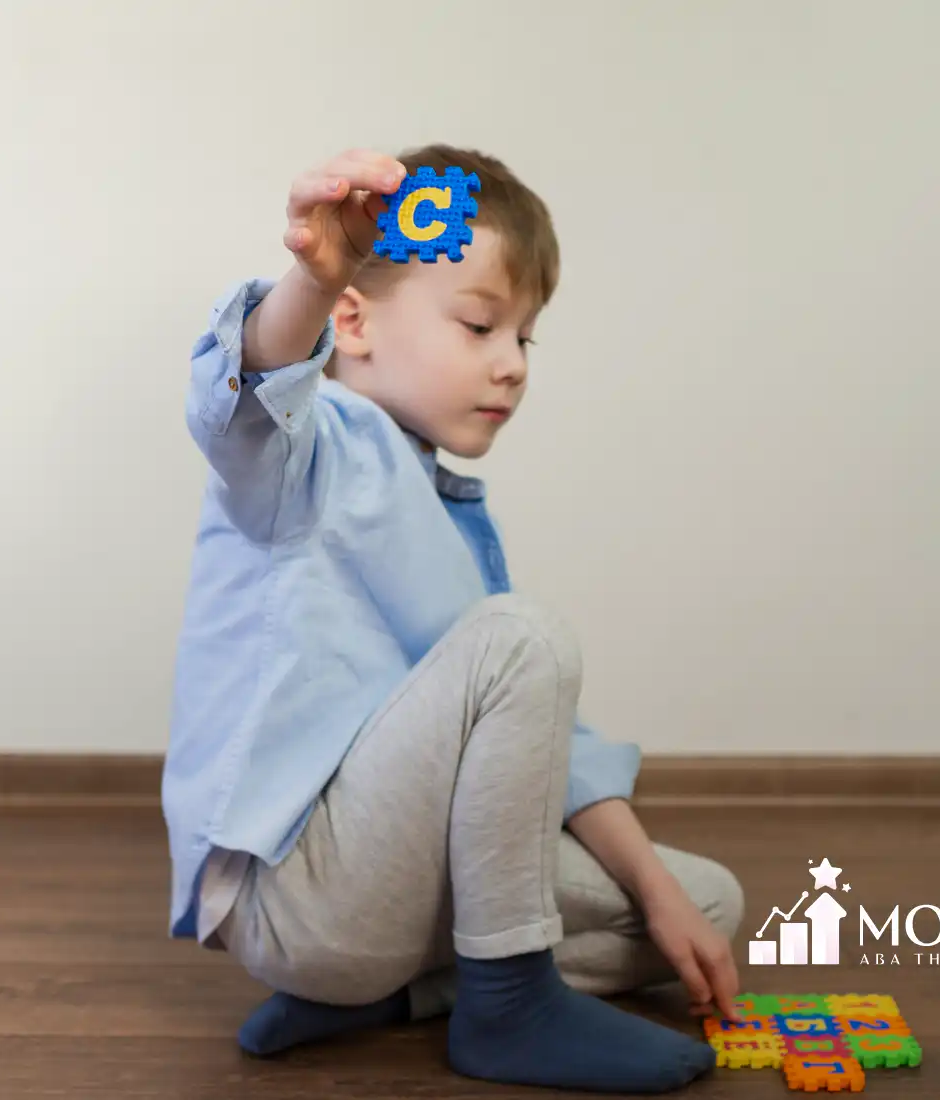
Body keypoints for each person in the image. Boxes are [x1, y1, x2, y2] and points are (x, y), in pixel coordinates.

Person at [162, 143, 745, 1094]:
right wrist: (311, 281)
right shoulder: (306, 456)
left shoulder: (446, 510)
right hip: (298, 892)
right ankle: (509, 1002)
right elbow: (242, 405)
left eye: (524, 338)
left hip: (379, 899)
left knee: (701, 906)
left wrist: (652, 886)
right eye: (480, 325)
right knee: (523, 636)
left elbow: (540, 748)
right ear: (351, 319)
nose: (511, 366)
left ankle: (399, 998)